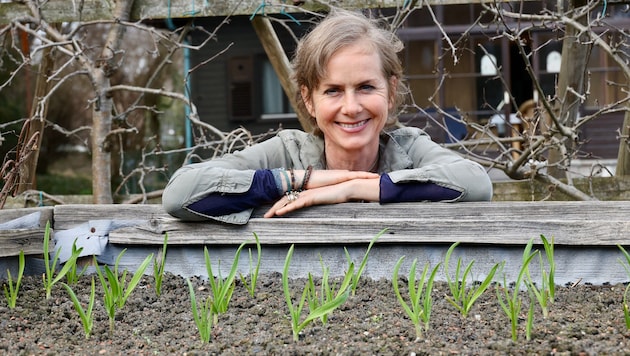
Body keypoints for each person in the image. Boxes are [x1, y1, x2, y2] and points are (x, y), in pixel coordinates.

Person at [162, 9, 493, 224]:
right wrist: (301, 180)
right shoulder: (284, 152)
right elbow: (181, 194)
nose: (351, 107)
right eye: (332, 90)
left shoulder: (409, 149)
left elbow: (476, 183)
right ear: (308, 99)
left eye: (365, 87)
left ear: (391, 91)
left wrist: (357, 189)